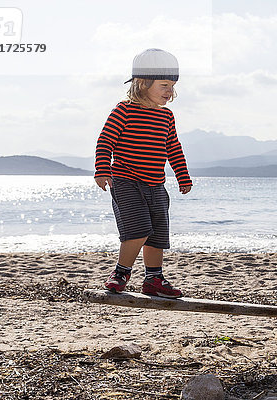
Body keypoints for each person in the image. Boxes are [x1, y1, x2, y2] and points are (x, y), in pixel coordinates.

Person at [94, 48, 192, 298]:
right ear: (142, 83)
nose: (169, 91)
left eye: (172, 86)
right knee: (137, 230)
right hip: (126, 181)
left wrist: (182, 175)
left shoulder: (167, 116)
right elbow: (105, 141)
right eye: (164, 85)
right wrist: (102, 170)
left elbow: (173, 148)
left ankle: (153, 278)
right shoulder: (123, 110)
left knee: (157, 234)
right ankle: (121, 272)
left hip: (156, 185)